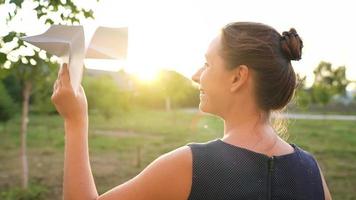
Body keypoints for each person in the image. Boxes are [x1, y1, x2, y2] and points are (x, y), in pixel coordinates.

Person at [51, 21, 332, 200]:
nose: (197, 75)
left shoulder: (190, 166)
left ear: (238, 77)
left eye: (207, 64)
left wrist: (76, 121)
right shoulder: (311, 170)